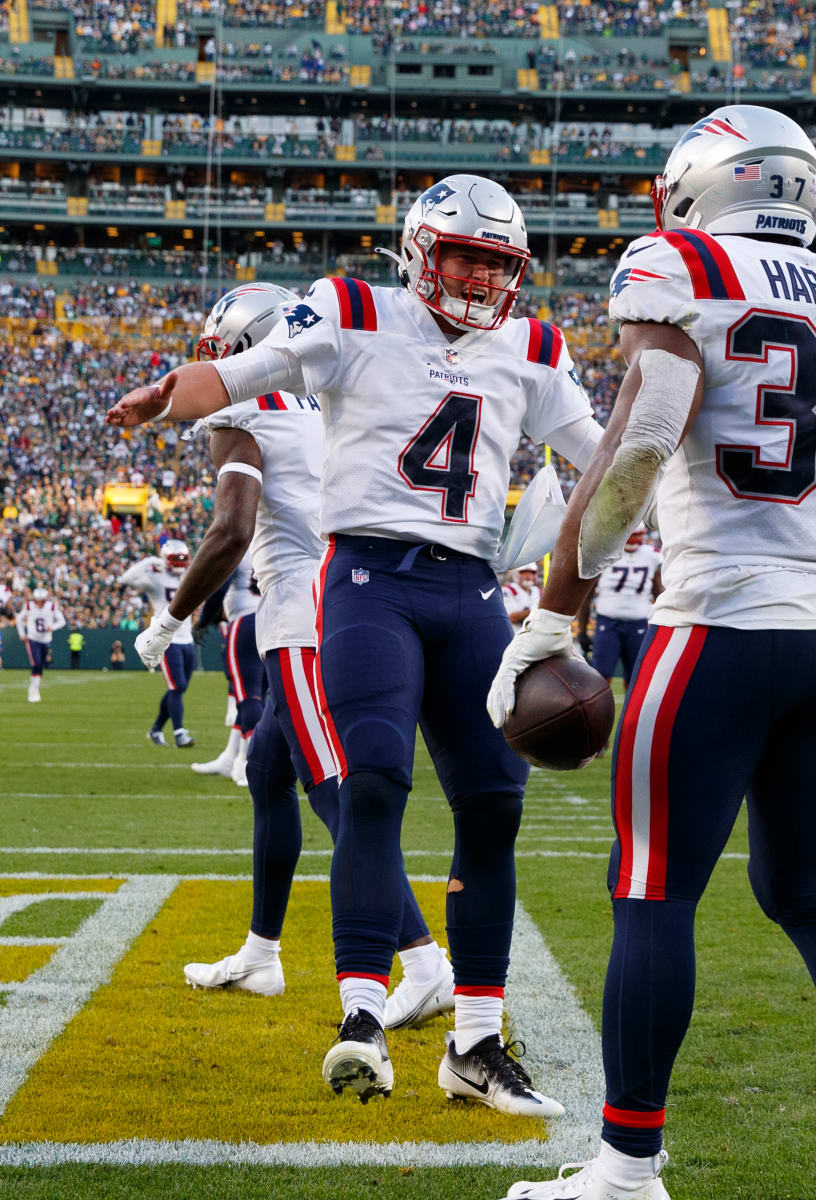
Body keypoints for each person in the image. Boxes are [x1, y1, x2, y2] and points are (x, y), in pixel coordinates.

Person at [488, 105, 816, 1200]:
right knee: (811, 893)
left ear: (697, 186)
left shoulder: (680, 262)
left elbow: (649, 434)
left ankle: (626, 1168)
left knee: (653, 892)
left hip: (719, 625)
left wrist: (557, 616)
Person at [106, 174, 605, 1115]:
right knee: (371, 780)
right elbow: (252, 373)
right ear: (422, 250)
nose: (478, 277)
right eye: (464, 255)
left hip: (472, 589)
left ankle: (477, 1043)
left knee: (495, 807)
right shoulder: (354, 307)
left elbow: (598, 454)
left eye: (497, 263)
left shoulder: (534, 345)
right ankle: (363, 1019)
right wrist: (173, 393)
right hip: (369, 579)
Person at [133, 281, 449, 1011]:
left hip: (305, 610)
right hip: (358, 593)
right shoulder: (334, 394)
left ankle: (426, 964)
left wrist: (171, 620)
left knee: (337, 794)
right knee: (270, 769)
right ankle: (262, 954)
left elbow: (231, 530)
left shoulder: (242, 407)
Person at [191, 549, 264, 785]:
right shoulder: (269, 542)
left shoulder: (240, 544)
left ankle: (247, 763)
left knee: (248, 697)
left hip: (245, 620)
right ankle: (231, 757)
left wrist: (204, 621)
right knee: (257, 696)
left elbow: (219, 588)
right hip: (272, 620)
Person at [118, 540, 196, 747]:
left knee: (177, 689)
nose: (180, 563)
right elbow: (125, 578)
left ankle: (155, 730)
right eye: (175, 559)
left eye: (183, 559)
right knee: (177, 687)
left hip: (188, 639)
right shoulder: (155, 578)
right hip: (167, 641)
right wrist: (150, 560)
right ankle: (179, 734)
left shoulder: (189, 574)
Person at [582, 525, 662, 687]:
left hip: (638, 623)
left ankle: (630, 713)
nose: (632, 540)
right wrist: (582, 630)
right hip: (608, 622)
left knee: (636, 679)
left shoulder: (652, 556)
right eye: (630, 535)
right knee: (600, 678)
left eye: (637, 535)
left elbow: (659, 593)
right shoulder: (605, 552)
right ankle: (602, 712)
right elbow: (587, 595)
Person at [16, 586, 65, 702]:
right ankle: (33, 690)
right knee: (36, 663)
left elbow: (62, 621)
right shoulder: (29, 606)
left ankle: (35, 688)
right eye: (37, 601)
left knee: (41, 665)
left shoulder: (52, 606)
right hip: (33, 639)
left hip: (46, 640)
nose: (39, 604)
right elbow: (19, 619)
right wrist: (22, 634)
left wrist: (52, 627)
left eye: (41, 601)